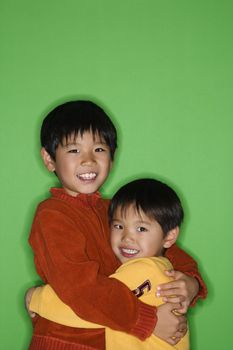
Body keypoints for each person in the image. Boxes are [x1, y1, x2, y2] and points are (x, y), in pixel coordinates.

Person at [27, 100, 207, 349]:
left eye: (99, 149)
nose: (88, 160)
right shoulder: (52, 215)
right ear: (49, 159)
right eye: (74, 150)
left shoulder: (116, 209)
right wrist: (150, 320)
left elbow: (163, 245)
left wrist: (190, 281)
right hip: (67, 339)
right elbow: (81, 289)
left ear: (112, 157)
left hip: (113, 338)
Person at [28, 178, 192, 350]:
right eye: (119, 226)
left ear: (170, 236)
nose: (127, 238)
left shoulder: (144, 272)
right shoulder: (161, 266)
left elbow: (93, 308)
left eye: (141, 229)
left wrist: (37, 298)